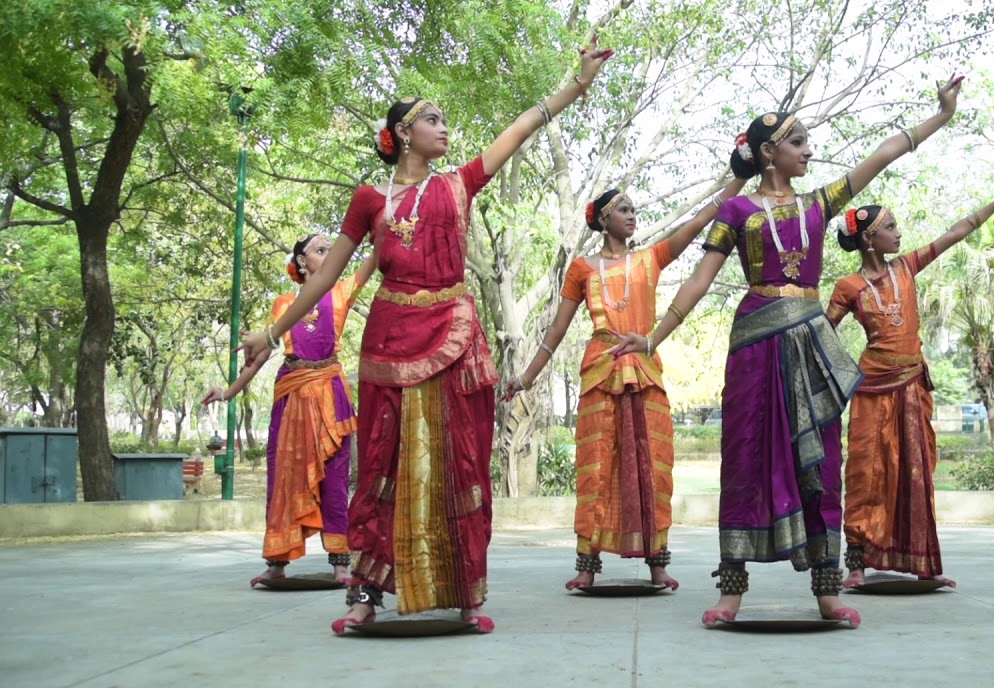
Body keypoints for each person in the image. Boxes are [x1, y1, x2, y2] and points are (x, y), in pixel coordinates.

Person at [235, 39, 614, 635]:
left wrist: (579, 84)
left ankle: (465, 595)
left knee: (459, 461)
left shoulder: (458, 184)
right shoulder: (368, 200)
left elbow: (519, 131)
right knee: (382, 463)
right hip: (388, 339)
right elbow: (328, 277)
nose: (444, 128)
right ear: (403, 133)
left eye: (442, 119)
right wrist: (271, 332)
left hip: (453, 333)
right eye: (432, 120)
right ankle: (365, 595)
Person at [610, 76, 965, 627]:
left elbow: (885, 154)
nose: (809, 151)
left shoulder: (822, 204)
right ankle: (732, 590)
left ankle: (826, 592)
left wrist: (940, 116)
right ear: (770, 151)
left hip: (809, 341)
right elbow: (699, 280)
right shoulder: (736, 213)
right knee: (746, 454)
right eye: (799, 142)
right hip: (754, 340)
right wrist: (654, 338)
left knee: (819, 460)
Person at [503, 177, 746, 591]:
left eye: (635, 209)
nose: (633, 216)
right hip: (600, 370)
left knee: (651, 467)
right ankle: (586, 566)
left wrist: (738, 177)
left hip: (644, 370)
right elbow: (556, 331)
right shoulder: (581, 269)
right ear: (603, 219)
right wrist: (526, 377)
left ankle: (657, 565)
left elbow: (698, 220)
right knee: (595, 468)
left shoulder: (653, 257)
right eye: (624, 209)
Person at [826, 169, 994, 588]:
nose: (899, 234)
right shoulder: (847, 286)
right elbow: (822, 335)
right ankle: (857, 563)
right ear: (868, 238)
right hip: (871, 387)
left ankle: (921, 562)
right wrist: (840, 378)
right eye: (890, 228)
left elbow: (958, 232)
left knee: (914, 469)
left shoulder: (907, 267)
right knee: (866, 471)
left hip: (912, 383)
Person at [203, 234, 377, 586]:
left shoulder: (341, 292)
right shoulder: (283, 305)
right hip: (292, 397)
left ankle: (341, 565)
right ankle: (277, 562)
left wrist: (382, 225)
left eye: (332, 249)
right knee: (283, 477)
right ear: (300, 261)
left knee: (336, 477)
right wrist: (228, 392)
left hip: (331, 397)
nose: (330, 254)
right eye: (321, 250)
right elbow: (260, 356)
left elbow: (373, 259)